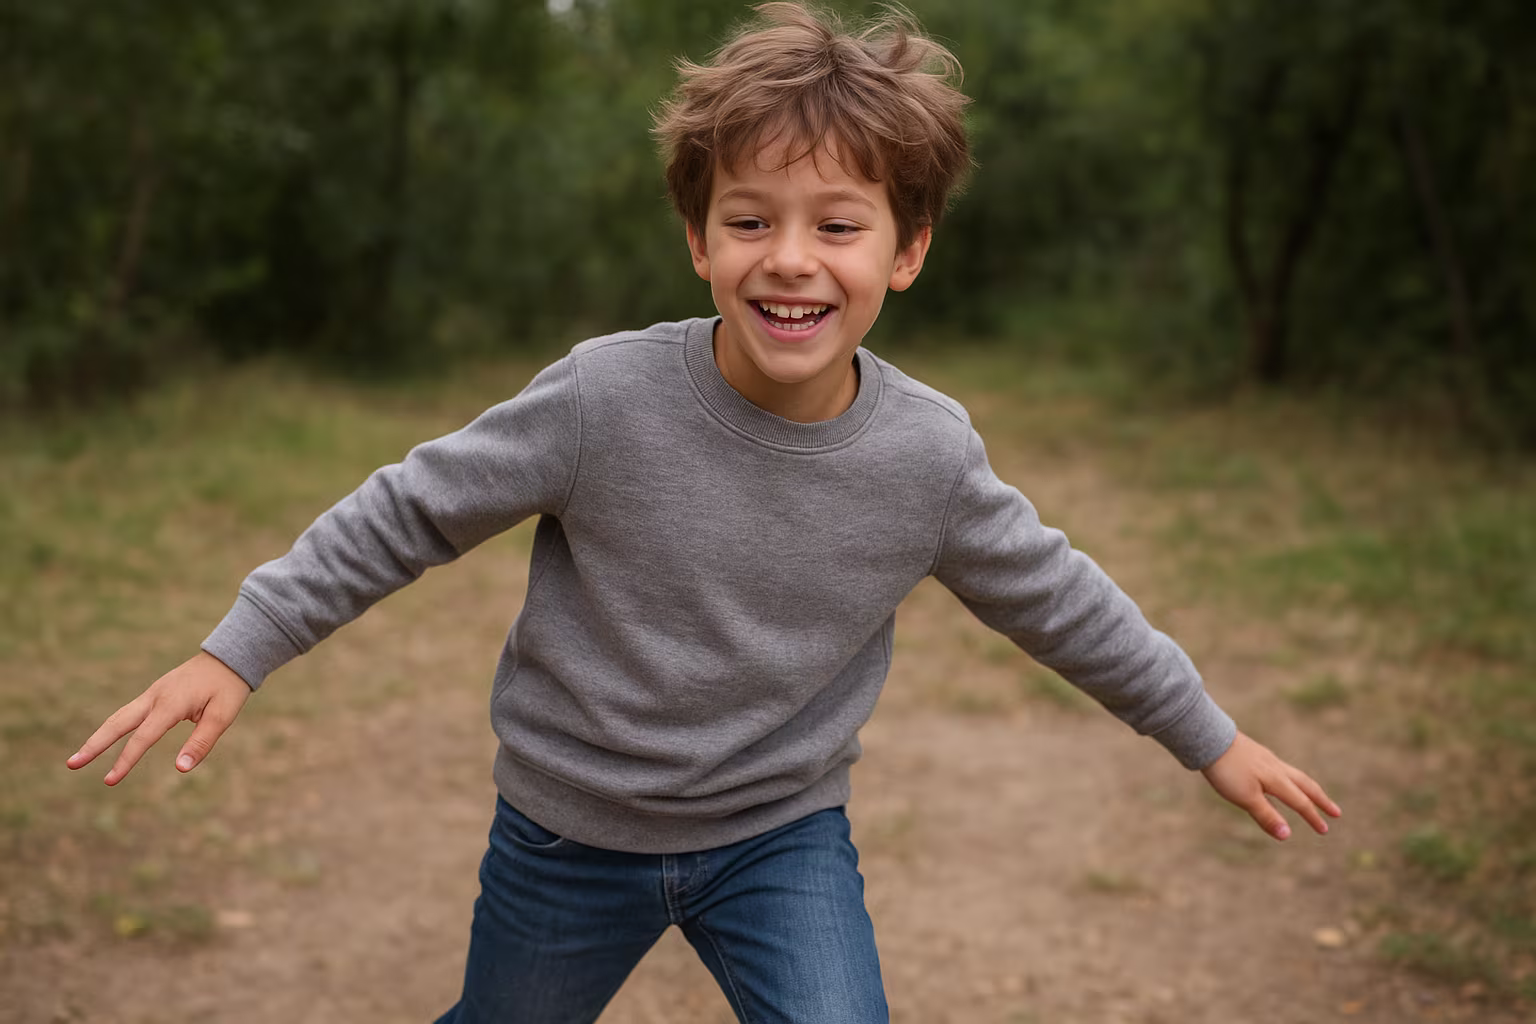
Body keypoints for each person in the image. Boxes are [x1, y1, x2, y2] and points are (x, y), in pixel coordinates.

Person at [67, 4, 1341, 1021]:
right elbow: (407, 513)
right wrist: (241, 644)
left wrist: (1209, 736)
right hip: (565, 831)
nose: (791, 256)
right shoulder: (603, 399)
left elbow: (1066, 605)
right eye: (752, 220)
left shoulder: (927, 455)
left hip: (777, 836)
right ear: (699, 239)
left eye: (839, 224)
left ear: (907, 250)